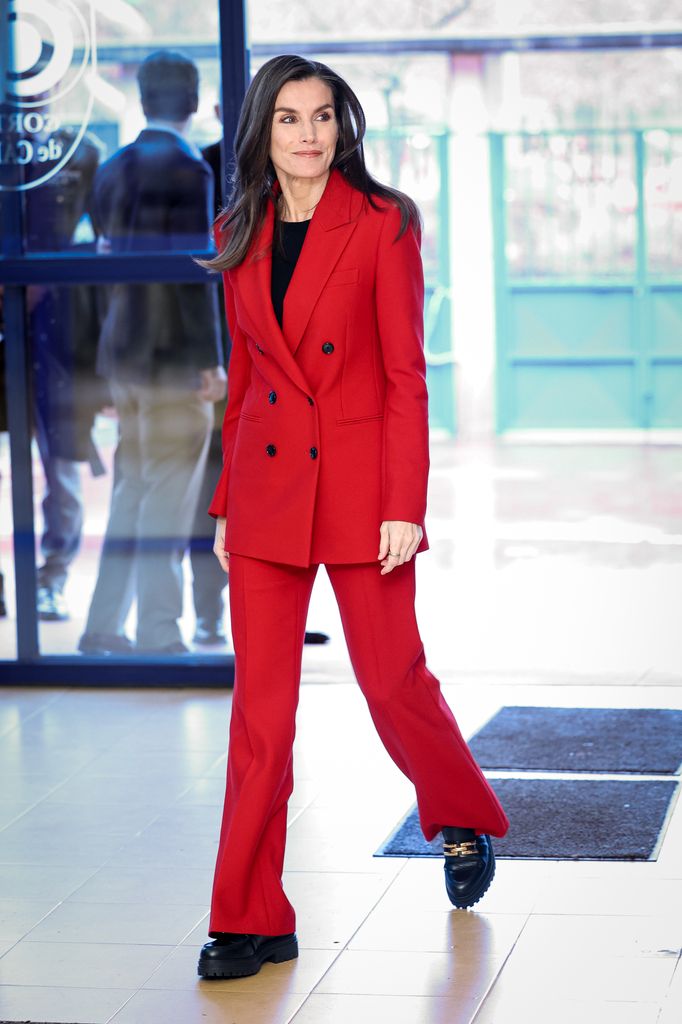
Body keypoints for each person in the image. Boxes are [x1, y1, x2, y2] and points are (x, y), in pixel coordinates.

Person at [197, 55, 509, 980]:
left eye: (322, 116)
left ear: (344, 126)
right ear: (263, 131)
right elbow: (248, 379)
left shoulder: (383, 223)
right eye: (288, 118)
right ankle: (248, 916)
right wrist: (225, 502)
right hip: (264, 492)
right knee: (261, 715)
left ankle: (460, 816)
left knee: (391, 680)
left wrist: (403, 505)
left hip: (360, 489)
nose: (307, 134)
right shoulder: (238, 228)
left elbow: (408, 376)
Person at [78, 51, 225, 655]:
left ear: (142, 101)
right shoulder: (191, 169)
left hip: (125, 360)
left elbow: (103, 270)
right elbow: (190, 271)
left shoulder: (111, 168)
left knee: (133, 494)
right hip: (172, 362)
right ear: (192, 103)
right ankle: (160, 634)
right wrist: (209, 359)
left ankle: (102, 625)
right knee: (165, 499)